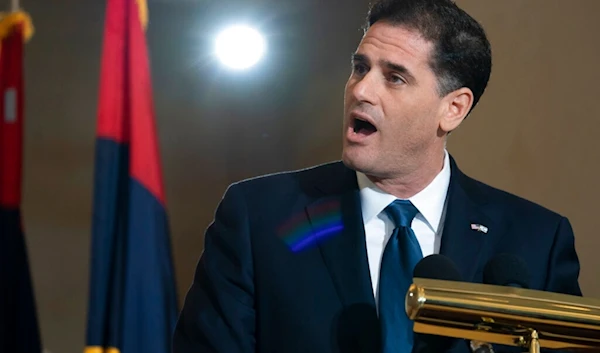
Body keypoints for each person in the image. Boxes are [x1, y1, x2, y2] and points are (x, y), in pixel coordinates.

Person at [172, 0, 582, 352]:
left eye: (395, 77)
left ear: (453, 109)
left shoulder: (535, 241)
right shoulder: (259, 218)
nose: (361, 90)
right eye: (360, 67)